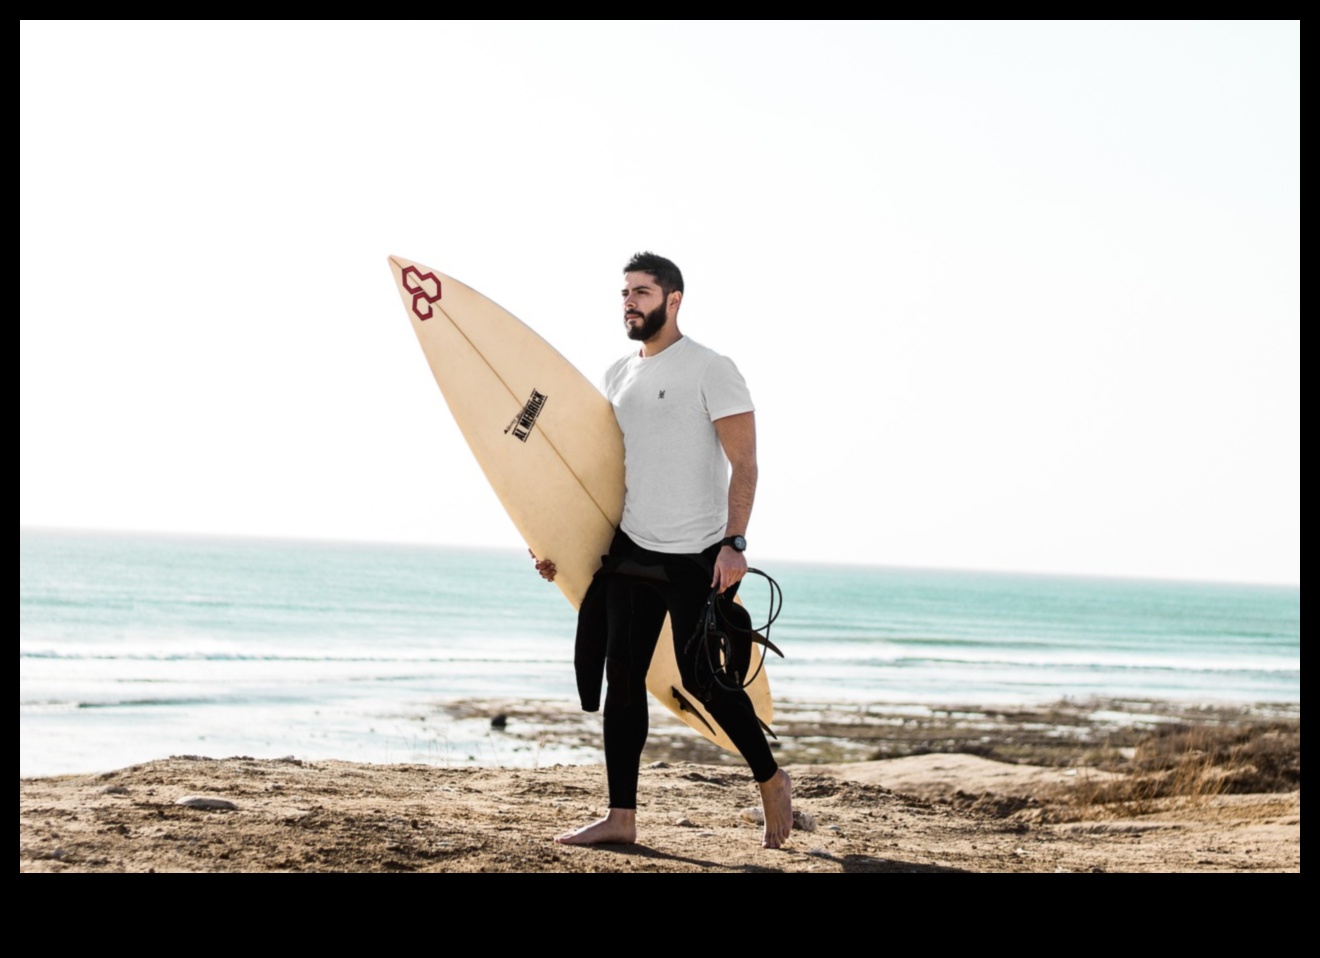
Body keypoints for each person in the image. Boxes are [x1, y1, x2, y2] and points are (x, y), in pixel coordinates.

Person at [534, 252, 794, 849]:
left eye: (642, 292)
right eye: (625, 292)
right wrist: (554, 542)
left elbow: (745, 464)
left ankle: (771, 778)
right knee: (622, 679)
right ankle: (620, 816)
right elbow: (595, 475)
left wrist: (734, 544)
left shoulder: (711, 368)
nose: (630, 301)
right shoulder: (616, 375)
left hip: (697, 553)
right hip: (631, 547)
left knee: (705, 681)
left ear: (673, 299)